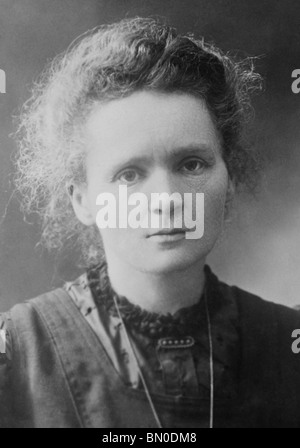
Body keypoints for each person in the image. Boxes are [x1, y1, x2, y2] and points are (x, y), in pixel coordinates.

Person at [0, 17, 300, 429]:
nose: (166, 200)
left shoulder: (288, 343)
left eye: (191, 164)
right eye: (129, 175)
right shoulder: (18, 352)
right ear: (83, 200)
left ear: (228, 180)